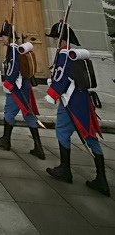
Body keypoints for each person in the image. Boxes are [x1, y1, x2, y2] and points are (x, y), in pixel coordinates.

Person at [44, 21, 110, 196]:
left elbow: (62, 78)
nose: (53, 41)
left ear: (60, 38)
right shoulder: (71, 55)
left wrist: (52, 93)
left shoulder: (64, 55)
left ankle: (65, 170)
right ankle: (101, 178)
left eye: (55, 38)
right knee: (89, 135)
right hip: (81, 99)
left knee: (62, 131)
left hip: (70, 101)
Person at [0, 21, 44, 159]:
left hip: (16, 87)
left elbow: (14, 69)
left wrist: (8, 83)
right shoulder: (15, 48)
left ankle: (6, 140)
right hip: (23, 86)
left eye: (3, 36)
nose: (1, 39)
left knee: (9, 113)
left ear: (8, 36)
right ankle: (38, 147)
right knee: (28, 114)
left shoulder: (14, 49)